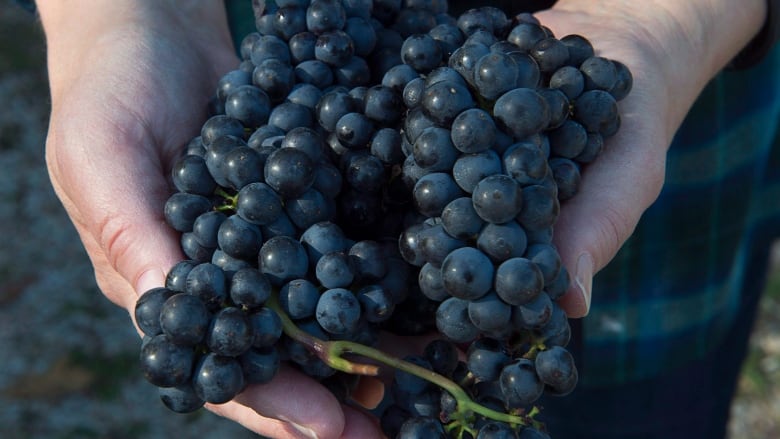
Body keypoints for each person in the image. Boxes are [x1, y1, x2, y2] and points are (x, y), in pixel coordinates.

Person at [35, 0, 778, 437]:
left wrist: (673, 19)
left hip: (670, 120)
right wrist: (117, 19)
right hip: (309, 46)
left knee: (645, 409)